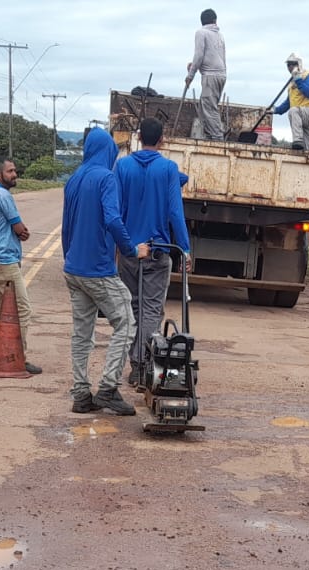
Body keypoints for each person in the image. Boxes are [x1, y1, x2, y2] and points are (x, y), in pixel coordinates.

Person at [63, 128, 150, 415]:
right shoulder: (105, 178)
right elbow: (113, 219)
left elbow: (67, 227)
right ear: (108, 151)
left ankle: (80, 394)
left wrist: (70, 259)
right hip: (98, 269)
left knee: (82, 333)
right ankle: (109, 388)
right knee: (126, 322)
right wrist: (131, 249)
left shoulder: (74, 180)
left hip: (74, 268)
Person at [115, 118, 193, 391]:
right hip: (159, 251)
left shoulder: (122, 166)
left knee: (132, 307)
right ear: (162, 139)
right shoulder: (168, 169)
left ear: (138, 136)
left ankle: (132, 365)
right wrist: (184, 249)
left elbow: (115, 209)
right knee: (151, 309)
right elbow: (175, 212)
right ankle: (142, 363)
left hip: (129, 251)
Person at [0, 157, 41, 374]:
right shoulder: (3, 195)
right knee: (22, 309)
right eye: (10, 171)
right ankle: (17, 357)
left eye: (15, 170)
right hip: (5, 261)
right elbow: (19, 227)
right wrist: (22, 231)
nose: (15, 174)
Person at [185, 9, 226, 141]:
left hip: (210, 75)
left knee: (209, 109)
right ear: (215, 20)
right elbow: (212, 56)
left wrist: (190, 75)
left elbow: (199, 55)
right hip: (221, 75)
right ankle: (210, 136)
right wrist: (194, 65)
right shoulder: (219, 35)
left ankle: (218, 139)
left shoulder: (201, 33)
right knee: (206, 107)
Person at [274, 53, 309, 151]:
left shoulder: (308, 76)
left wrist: (299, 80)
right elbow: (288, 103)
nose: (290, 67)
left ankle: (297, 140)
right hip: (301, 117)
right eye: (288, 64)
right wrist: (274, 110)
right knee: (308, 148)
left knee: (293, 111)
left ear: (298, 64)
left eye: (292, 64)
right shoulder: (292, 83)